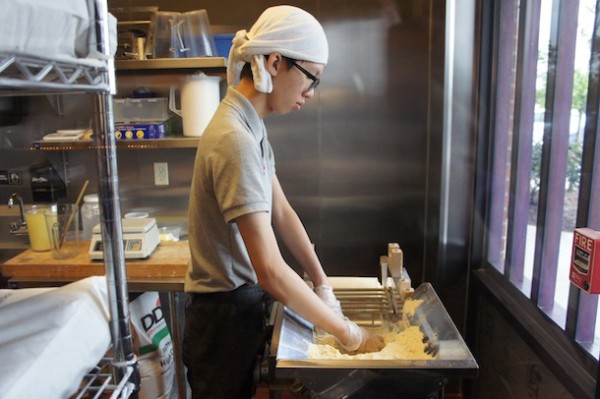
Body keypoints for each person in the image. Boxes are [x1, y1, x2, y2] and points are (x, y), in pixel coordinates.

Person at [183, 5, 385, 398]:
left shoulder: (251, 127)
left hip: (240, 307)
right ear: (275, 63)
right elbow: (270, 271)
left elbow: (283, 212)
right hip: (221, 317)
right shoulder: (233, 138)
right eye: (311, 79)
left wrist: (323, 283)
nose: (309, 94)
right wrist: (348, 334)